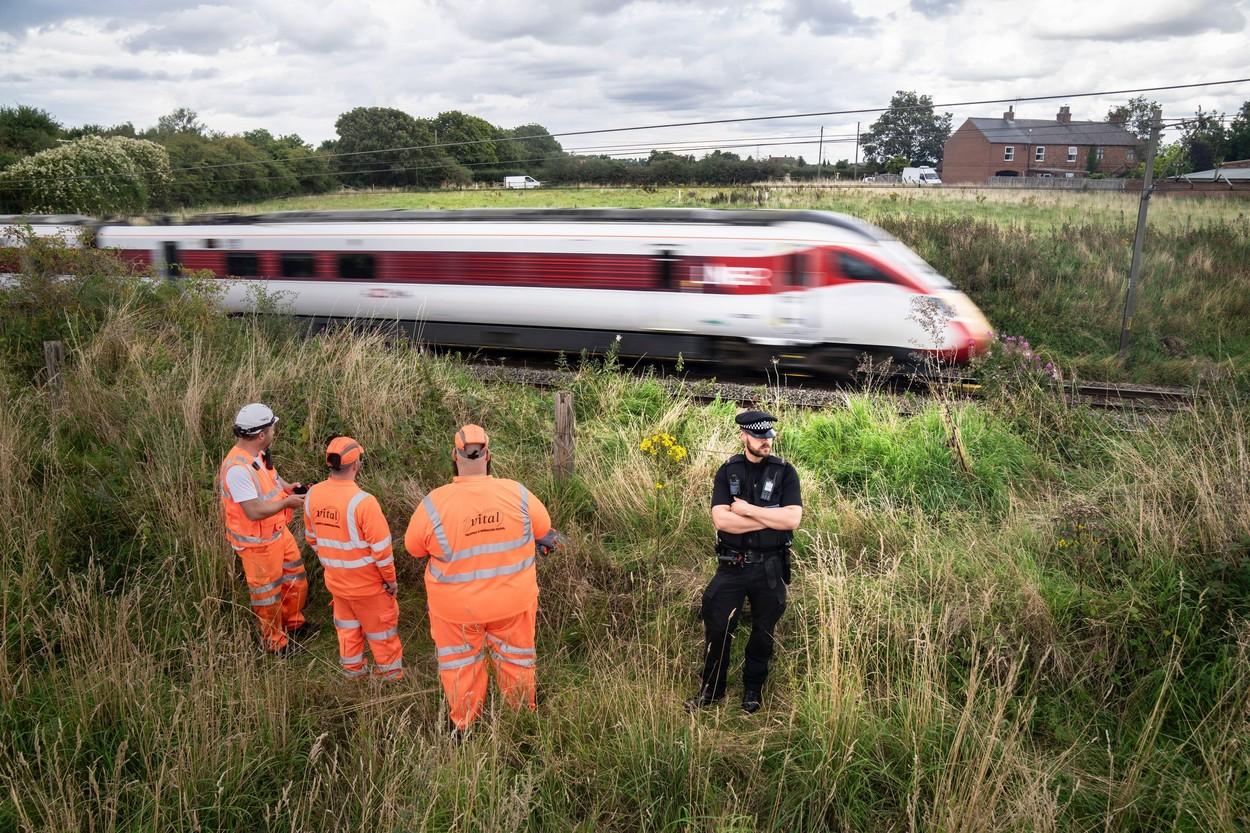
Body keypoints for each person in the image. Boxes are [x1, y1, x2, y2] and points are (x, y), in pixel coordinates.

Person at [403, 424, 559, 732]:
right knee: (517, 658)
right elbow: (545, 531)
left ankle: (464, 723)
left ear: (454, 456)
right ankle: (521, 717)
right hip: (512, 603)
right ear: (488, 456)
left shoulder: (434, 504)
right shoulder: (518, 493)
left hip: (456, 611)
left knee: (460, 664)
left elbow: (413, 548)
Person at [687, 410, 803, 714]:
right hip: (732, 565)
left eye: (769, 437)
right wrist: (770, 520)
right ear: (744, 436)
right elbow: (722, 522)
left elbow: (793, 518)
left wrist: (748, 511)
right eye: (759, 436)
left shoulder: (785, 472)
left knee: (763, 632)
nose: (766, 442)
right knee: (717, 628)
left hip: (770, 567)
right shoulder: (727, 471)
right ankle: (711, 691)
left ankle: (753, 691)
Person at [303, 436, 403, 679]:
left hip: (337, 583)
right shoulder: (364, 503)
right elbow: (382, 551)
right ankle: (389, 677)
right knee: (381, 633)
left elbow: (312, 538)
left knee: (347, 630)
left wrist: (333, 563)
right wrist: (390, 581)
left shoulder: (312, 494)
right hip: (369, 586)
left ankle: (353, 671)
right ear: (356, 464)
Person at [217, 403, 310, 655]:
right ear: (260, 435)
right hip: (257, 545)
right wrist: (287, 503)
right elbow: (254, 511)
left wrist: (288, 487)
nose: (273, 432)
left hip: (278, 532)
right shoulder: (237, 470)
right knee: (267, 599)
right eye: (271, 428)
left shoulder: (258, 453)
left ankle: (294, 626)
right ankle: (276, 645)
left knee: (295, 580)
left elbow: (272, 478)